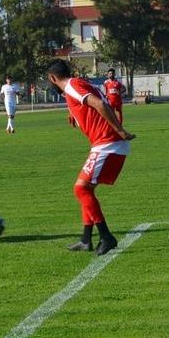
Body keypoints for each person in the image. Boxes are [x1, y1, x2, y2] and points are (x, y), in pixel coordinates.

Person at [46, 59, 135, 256]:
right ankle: (86, 239)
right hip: (106, 143)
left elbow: (98, 103)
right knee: (86, 189)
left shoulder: (73, 86)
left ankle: (106, 237)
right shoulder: (79, 83)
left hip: (107, 143)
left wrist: (119, 130)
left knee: (81, 189)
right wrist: (73, 110)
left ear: (52, 78)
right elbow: (95, 97)